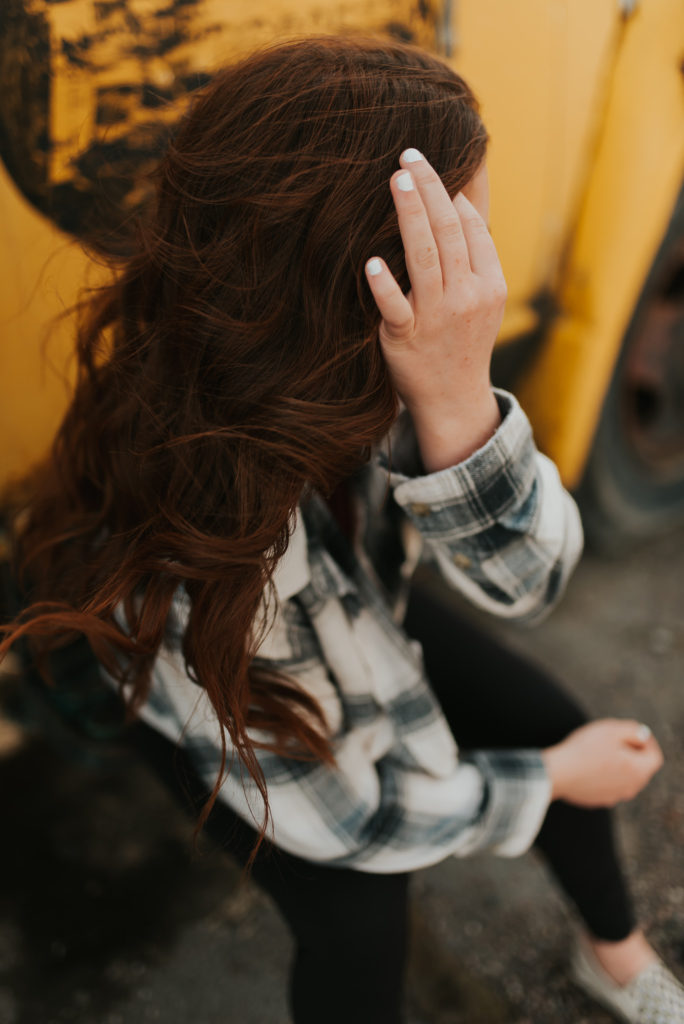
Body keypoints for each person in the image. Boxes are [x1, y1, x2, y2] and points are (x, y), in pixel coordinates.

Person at [2, 34, 682, 1024]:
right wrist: (538, 783)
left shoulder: (354, 368)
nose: (479, 284)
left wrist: (456, 405)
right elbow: (352, 816)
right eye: (456, 247)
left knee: (558, 723)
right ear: (350, 288)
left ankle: (616, 957)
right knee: (361, 922)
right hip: (223, 676)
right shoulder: (201, 528)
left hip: (344, 612)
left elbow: (529, 584)